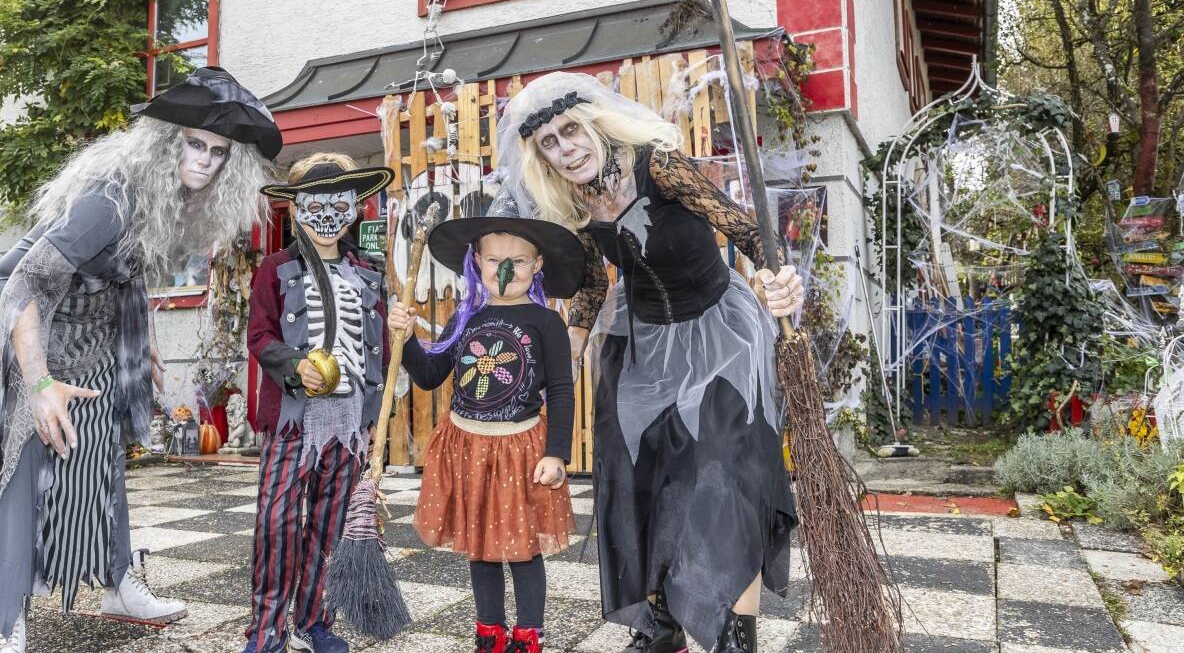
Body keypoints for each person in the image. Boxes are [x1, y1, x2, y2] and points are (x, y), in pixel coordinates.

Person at [491, 71, 806, 653]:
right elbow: (589, 285)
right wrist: (573, 339)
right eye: (550, 145)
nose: (567, 149)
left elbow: (746, 230)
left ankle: (737, 640)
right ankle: (660, 630)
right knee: (639, 481)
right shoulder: (573, 201)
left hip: (719, 339)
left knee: (725, 483)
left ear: (595, 124)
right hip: (640, 350)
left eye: (571, 131)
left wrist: (776, 275)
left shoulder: (659, 166)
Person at [0, 67, 282, 653]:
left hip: (89, 331)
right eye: (196, 145)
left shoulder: (171, 204)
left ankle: (116, 582)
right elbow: (22, 289)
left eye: (219, 152)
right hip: (22, 327)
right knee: (16, 466)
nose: (207, 161)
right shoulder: (111, 199)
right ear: (168, 142)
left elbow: (120, 275)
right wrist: (39, 385)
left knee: (100, 456)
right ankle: (1, 612)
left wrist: (144, 345)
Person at [388, 215, 582, 653]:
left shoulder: (546, 322)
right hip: (468, 445)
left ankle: (529, 632)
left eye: (517, 260)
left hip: (520, 447)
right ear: (477, 262)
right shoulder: (467, 316)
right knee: (481, 545)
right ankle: (489, 631)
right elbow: (429, 376)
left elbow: (562, 391)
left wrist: (557, 453)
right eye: (494, 260)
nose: (504, 270)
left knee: (522, 546)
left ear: (537, 265)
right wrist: (406, 339)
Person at [245, 153, 392, 653]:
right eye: (315, 203)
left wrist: (374, 421)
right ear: (296, 209)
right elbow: (260, 335)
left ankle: (314, 619)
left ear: (353, 209)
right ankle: (266, 628)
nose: (327, 213)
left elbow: (380, 348)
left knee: (330, 526)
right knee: (277, 520)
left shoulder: (368, 271)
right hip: (294, 422)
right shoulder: (275, 268)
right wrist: (293, 364)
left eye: (338, 202)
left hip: (350, 424)